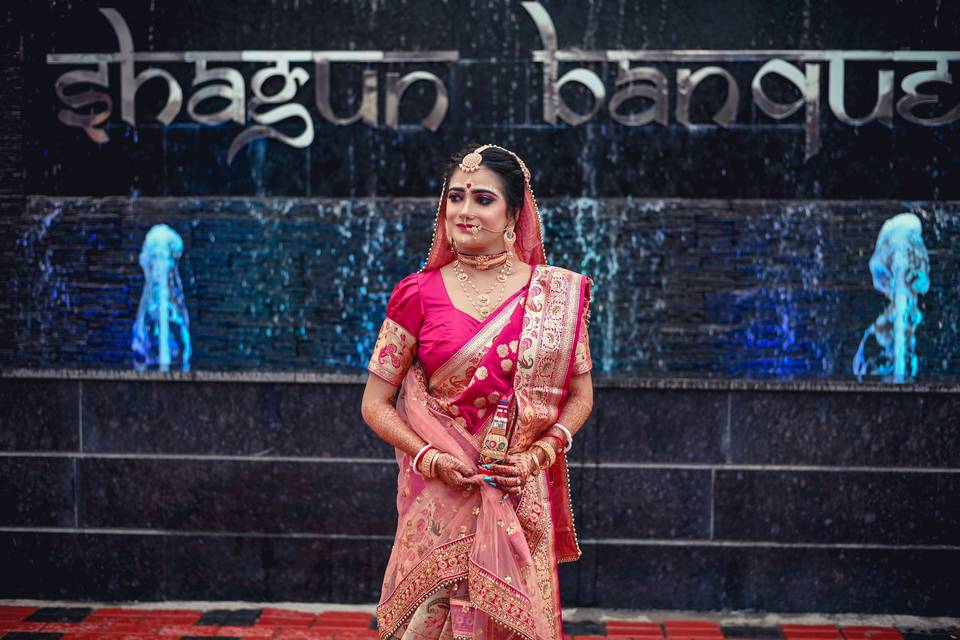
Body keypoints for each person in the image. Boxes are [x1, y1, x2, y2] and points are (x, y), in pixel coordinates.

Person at [360, 143, 594, 640]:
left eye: (483, 199)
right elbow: (375, 404)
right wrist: (429, 457)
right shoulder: (416, 294)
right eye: (455, 197)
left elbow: (580, 395)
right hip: (442, 494)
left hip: (514, 490)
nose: (464, 211)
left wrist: (539, 455)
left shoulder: (554, 296)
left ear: (514, 213)